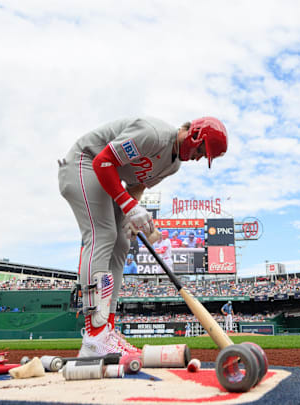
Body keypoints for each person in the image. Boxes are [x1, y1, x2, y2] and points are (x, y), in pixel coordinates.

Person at [58, 116, 228, 357]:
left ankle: (107, 329)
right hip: (83, 163)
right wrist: (129, 207)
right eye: (202, 149)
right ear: (194, 134)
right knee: (103, 234)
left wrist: (131, 214)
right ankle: (94, 335)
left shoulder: (173, 165)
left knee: (121, 243)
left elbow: (136, 185)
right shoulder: (154, 134)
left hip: (106, 176)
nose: (200, 157)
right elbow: (103, 161)